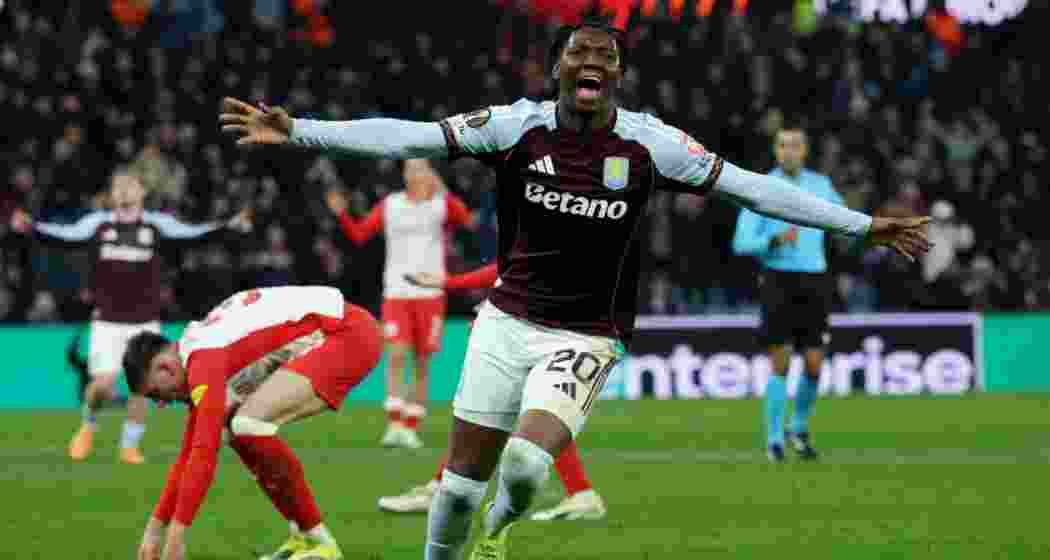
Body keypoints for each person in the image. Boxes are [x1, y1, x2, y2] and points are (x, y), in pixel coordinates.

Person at [220, 18, 930, 560]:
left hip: (588, 332)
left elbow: (752, 190)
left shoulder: (652, 144)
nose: (591, 61)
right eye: (579, 53)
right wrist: (302, 132)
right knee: (460, 487)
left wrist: (860, 225)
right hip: (505, 322)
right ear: (559, 67)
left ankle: (499, 534)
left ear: (617, 75)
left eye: (606, 56)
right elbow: (406, 136)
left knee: (526, 464)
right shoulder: (513, 127)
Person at [125, 285, 383, 560]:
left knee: (249, 424)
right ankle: (304, 536)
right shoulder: (197, 349)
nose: (161, 404)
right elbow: (190, 453)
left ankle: (322, 544)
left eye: (155, 394)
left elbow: (204, 452)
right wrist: (155, 530)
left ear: (165, 367)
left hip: (347, 335)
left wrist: (176, 537)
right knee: (234, 427)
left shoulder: (204, 360)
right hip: (335, 330)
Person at [9, 171, 250, 465]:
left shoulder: (157, 225)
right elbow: (63, 236)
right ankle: (88, 425)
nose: (124, 189)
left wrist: (229, 226)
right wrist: (31, 227)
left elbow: (194, 234)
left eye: (130, 184)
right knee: (103, 384)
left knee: (143, 386)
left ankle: (129, 446)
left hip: (145, 320)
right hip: (108, 319)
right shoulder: (97, 224)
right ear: (112, 194)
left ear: (141, 192)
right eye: (118, 185)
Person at [378, 264, 607, 522]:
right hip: (549, 317)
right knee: (526, 410)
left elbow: (513, 265)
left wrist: (455, 285)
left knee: (502, 409)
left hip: (546, 323)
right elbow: (512, 265)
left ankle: (439, 489)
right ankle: (581, 493)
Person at [325, 159, 475, 449]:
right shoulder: (390, 204)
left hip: (430, 293)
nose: (415, 174)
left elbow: (466, 220)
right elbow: (359, 234)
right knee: (395, 355)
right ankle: (394, 422)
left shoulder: (440, 205)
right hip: (396, 292)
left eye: (421, 168)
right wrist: (342, 214)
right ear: (404, 175)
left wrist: (441, 188)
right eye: (410, 169)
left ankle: (411, 426)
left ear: (430, 173)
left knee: (421, 362)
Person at [731, 125, 843, 462]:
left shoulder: (821, 186)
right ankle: (775, 439)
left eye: (795, 145)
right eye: (782, 145)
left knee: (813, 363)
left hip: (815, 280)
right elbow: (741, 242)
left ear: (804, 151)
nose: (788, 151)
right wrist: (774, 241)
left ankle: (800, 427)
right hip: (778, 280)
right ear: (775, 151)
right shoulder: (761, 187)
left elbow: (842, 219)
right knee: (780, 363)